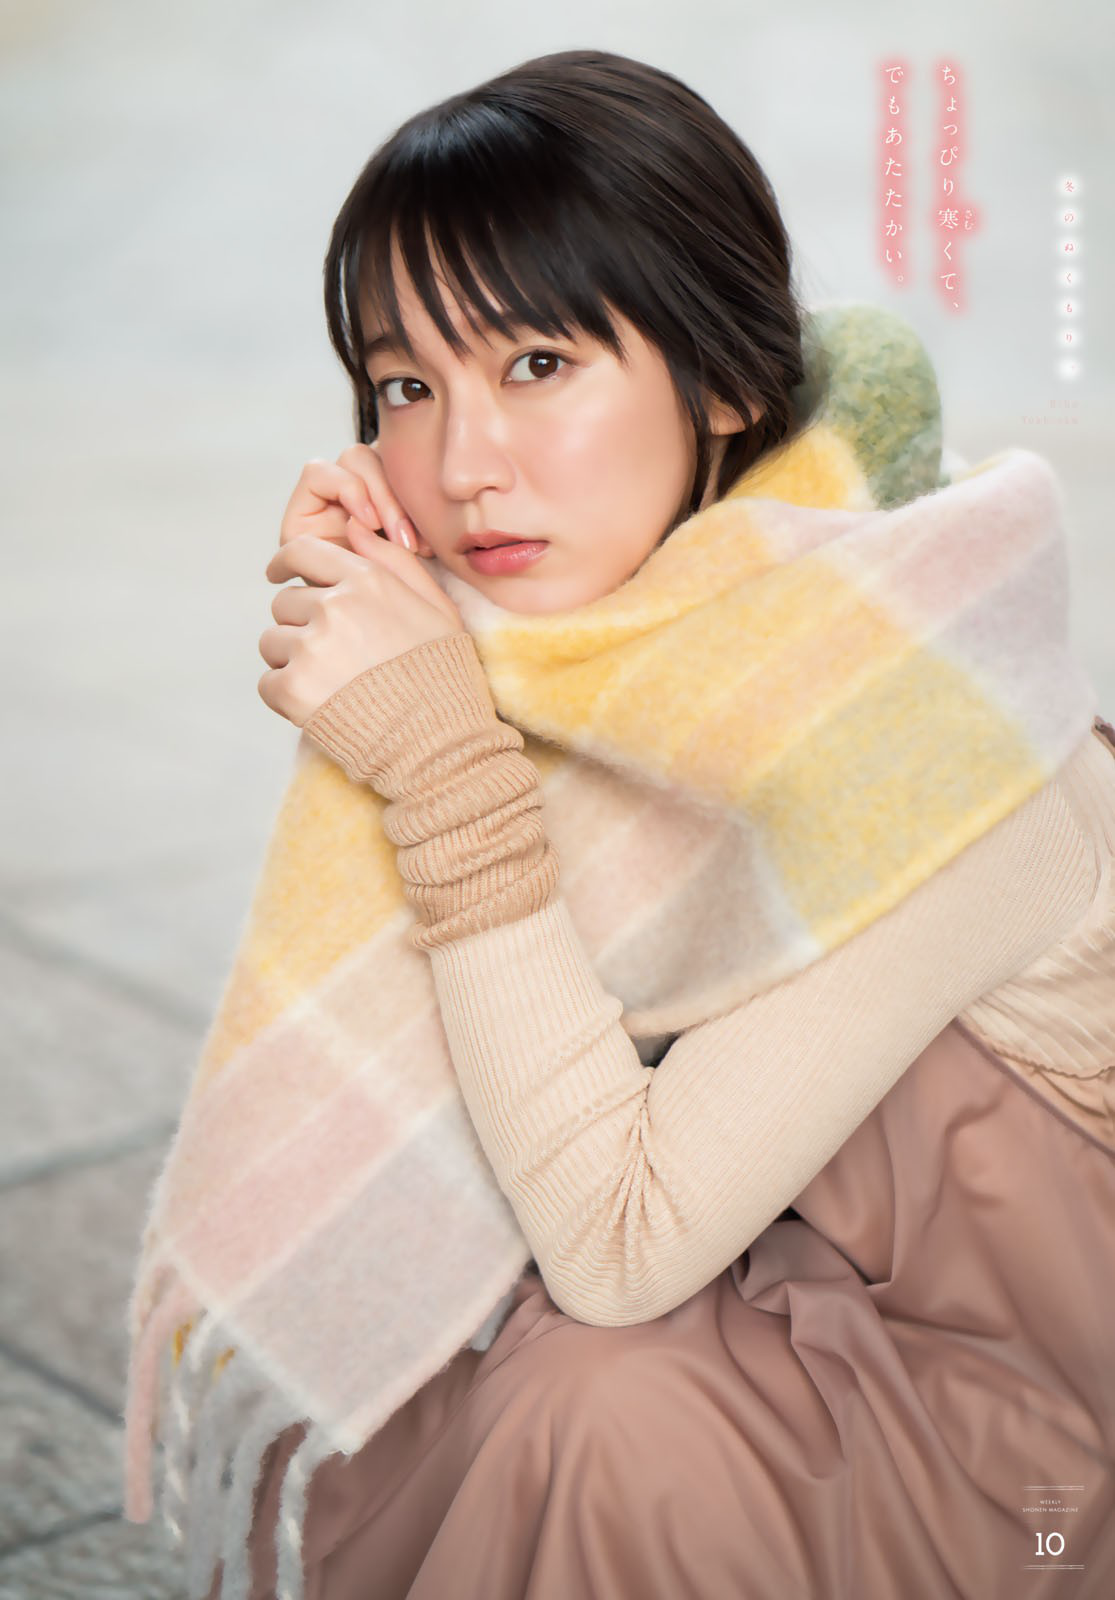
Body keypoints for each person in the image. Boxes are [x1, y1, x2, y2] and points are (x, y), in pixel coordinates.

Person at [222, 47, 1113, 1600]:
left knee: (599, 1416)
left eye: (536, 364)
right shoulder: (628, 643)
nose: (460, 466)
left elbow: (617, 1249)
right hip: (780, 1275)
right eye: (405, 387)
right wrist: (385, 636)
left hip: (1031, 1426)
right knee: (391, 1355)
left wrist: (443, 766)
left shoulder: (920, 715)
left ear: (721, 381)